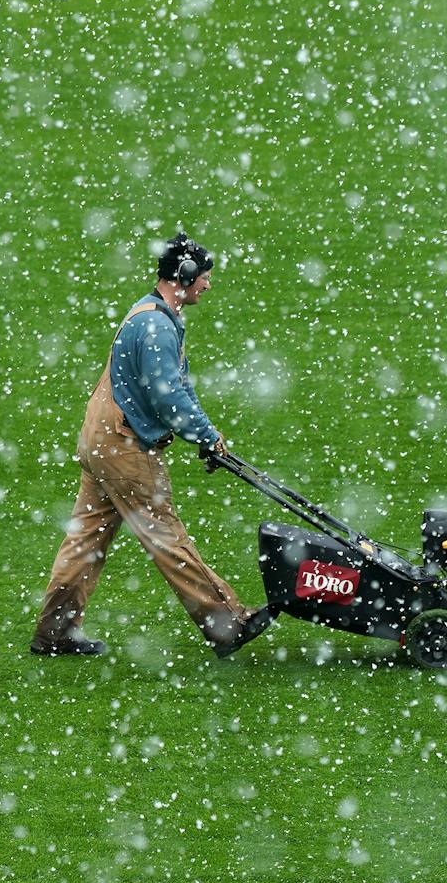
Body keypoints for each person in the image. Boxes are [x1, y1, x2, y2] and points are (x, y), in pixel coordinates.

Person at [31, 230, 273, 658]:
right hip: (124, 446)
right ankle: (227, 622)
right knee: (166, 535)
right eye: (204, 277)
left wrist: (206, 435)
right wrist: (203, 434)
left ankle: (55, 632)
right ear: (185, 274)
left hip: (100, 439)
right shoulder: (156, 326)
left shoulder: (152, 314)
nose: (208, 285)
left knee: (85, 539)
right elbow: (167, 397)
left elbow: (180, 387)